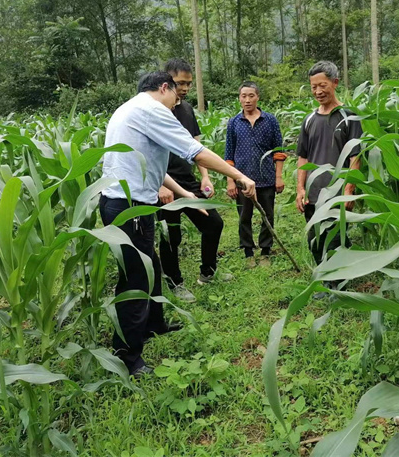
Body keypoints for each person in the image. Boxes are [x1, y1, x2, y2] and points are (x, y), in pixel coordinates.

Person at [99, 71, 256, 377]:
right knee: (135, 280)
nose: (176, 103)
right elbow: (196, 152)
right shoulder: (153, 110)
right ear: (164, 87)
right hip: (130, 207)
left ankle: (154, 324)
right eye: (176, 95)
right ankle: (127, 357)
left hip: (120, 202)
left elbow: (152, 165)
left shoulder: (129, 108)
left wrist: (185, 194)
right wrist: (238, 176)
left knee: (151, 265)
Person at [157, 59, 229, 304]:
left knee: (213, 223)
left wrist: (205, 176)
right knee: (171, 235)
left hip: (187, 181)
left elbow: (196, 146)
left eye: (189, 83)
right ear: (166, 81)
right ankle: (174, 282)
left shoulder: (186, 109)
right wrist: (161, 184)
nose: (186, 88)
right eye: (180, 83)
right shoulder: (154, 111)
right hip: (164, 184)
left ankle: (208, 272)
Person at [296, 61, 362, 266]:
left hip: (336, 194)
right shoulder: (309, 120)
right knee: (315, 241)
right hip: (312, 194)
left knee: (334, 241)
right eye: (313, 87)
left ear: (335, 83)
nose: (318, 91)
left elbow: (355, 157)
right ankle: (326, 275)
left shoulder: (349, 117)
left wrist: (349, 190)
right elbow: (303, 157)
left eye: (322, 85)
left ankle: (336, 280)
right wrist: (300, 189)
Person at [225, 81, 286, 268]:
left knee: (267, 215)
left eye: (251, 96)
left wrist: (278, 177)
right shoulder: (234, 123)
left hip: (266, 177)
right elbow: (229, 154)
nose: (247, 100)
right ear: (239, 98)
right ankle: (248, 251)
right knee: (244, 216)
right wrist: (230, 181)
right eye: (243, 96)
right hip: (242, 179)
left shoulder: (270, 120)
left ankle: (266, 251)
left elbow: (278, 151)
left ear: (257, 97)